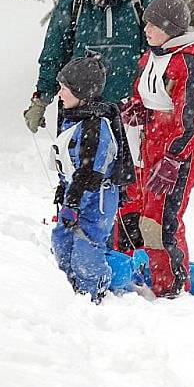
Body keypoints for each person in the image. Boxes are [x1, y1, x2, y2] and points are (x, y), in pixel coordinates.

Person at [116, 0, 194, 298]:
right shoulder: (150, 57)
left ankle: (172, 287)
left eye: (153, 25)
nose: (147, 29)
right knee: (134, 211)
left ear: (170, 28)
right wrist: (138, 110)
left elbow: (193, 116)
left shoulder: (187, 61)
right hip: (149, 147)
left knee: (161, 222)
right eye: (147, 24)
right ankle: (138, 274)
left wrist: (175, 158)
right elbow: (145, 96)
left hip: (177, 154)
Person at [23, 0, 155, 133]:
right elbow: (54, 53)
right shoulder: (74, 2)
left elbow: (160, 55)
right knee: (79, 163)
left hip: (130, 111)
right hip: (80, 109)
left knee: (126, 164)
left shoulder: (140, 1)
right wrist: (41, 99)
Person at [50, 55, 134, 303]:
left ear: (82, 92)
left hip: (96, 199)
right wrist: (63, 190)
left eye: (65, 88)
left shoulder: (95, 126)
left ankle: (93, 293)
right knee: (62, 241)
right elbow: (70, 164)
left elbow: (88, 173)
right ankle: (68, 287)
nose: (60, 93)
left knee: (86, 247)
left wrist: (73, 202)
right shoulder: (73, 116)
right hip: (76, 194)